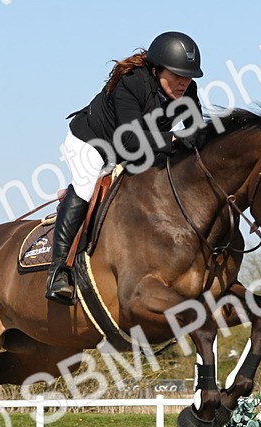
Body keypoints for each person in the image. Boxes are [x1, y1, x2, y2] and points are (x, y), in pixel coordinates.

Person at [46, 31, 204, 305]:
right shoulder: (131, 83)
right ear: (157, 69)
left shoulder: (188, 91)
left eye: (188, 76)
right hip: (92, 143)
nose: (184, 83)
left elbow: (198, 133)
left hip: (131, 148)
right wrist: (175, 139)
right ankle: (59, 268)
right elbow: (130, 142)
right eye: (177, 75)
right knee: (85, 187)